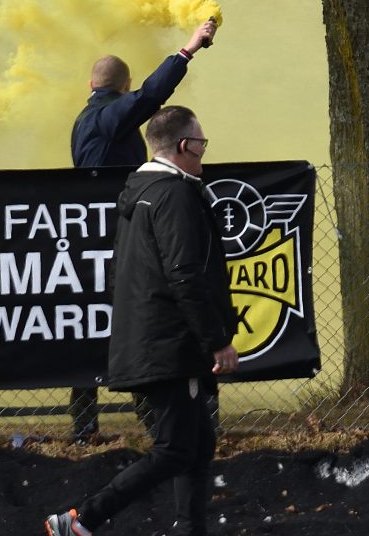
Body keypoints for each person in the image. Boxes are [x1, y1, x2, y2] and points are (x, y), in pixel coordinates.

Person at [46, 106, 238, 536]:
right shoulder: (176, 194)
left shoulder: (139, 191)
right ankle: (80, 521)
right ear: (186, 146)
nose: (203, 155)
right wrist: (216, 339)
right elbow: (185, 273)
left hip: (151, 340)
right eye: (202, 145)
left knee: (198, 443)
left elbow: (118, 276)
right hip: (172, 345)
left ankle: (189, 529)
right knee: (174, 449)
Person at [68, 19, 218, 443]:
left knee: (97, 326)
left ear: (89, 83)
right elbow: (152, 96)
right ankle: (145, 420)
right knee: (130, 319)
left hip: (101, 237)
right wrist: (188, 48)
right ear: (124, 86)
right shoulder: (106, 117)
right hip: (118, 239)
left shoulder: (86, 119)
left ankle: (90, 425)